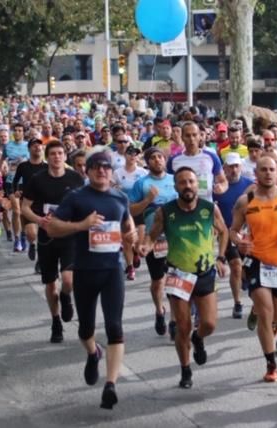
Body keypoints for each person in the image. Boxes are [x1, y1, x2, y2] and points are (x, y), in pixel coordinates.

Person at [45, 150, 137, 410]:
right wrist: (81, 225)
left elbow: (127, 225)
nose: (101, 171)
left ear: (111, 171)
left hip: (112, 271)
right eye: (96, 167)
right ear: (87, 171)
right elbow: (52, 227)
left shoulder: (120, 197)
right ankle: (93, 352)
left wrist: (131, 237)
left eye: (106, 167)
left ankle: (110, 385)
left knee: (115, 327)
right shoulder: (76, 198)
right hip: (84, 270)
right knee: (86, 329)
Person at [142, 167, 228, 389]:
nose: (187, 185)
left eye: (191, 181)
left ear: (196, 184)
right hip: (178, 274)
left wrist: (220, 257)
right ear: (176, 186)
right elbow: (152, 237)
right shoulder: (165, 211)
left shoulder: (209, 209)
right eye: (182, 182)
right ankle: (185, 369)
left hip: (205, 272)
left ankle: (198, 339)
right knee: (182, 326)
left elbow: (224, 231)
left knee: (209, 324)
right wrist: (145, 247)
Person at [230, 155, 277, 382]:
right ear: (256, 173)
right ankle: (271, 364)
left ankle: (261, 312)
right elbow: (233, 230)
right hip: (257, 261)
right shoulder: (245, 202)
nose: (267, 173)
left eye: (271, 169)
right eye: (263, 169)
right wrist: (238, 241)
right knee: (267, 313)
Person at [21, 141, 85, 343]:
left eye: (60, 153)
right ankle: (56, 321)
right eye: (53, 154)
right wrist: (39, 219)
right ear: (47, 157)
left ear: (65, 156)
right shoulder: (37, 179)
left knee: (68, 279)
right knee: (50, 284)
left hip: (69, 235)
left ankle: (66, 297)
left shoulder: (75, 178)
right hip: (47, 236)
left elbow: (84, 203)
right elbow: (24, 207)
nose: (57, 157)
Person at [129, 148, 178, 337]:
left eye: (160, 157)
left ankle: (174, 320)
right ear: (147, 162)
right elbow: (132, 211)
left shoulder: (174, 180)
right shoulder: (141, 184)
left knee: (174, 279)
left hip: (175, 238)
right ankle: (159, 311)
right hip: (153, 239)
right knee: (158, 281)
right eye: (153, 158)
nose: (157, 160)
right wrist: (148, 200)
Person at [213, 153, 254, 319]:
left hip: (247, 233)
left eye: (237, 166)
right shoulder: (219, 188)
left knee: (247, 267)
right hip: (228, 232)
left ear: (241, 167)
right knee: (236, 266)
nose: (234, 169)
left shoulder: (250, 185)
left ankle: (245, 278)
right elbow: (210, 209)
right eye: (231, 166)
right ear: (225, 168)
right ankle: (238, 302)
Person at [167, 122, 228, 202]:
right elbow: (168, 184)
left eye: (194, 135)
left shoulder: (211, 157)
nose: (191, 139)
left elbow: (223, 181)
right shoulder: (174, 160)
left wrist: (221, 187)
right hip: (182, 206)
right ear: (182, 137)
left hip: (205, 205)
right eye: (188, 136)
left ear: (199, 136)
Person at [113, 145, 147, 280]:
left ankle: (136, 251)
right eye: (130, 153)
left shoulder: (143, 172)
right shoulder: (118, 172)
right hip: (123, 209)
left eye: (136, 154)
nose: (133, 156)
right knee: (127, 239)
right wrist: (115, 187)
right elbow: (110, 186)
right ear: (125, 156)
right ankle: (130, 266)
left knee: (138, 240)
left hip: (139, 208)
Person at [13, 138, 48, 263]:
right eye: (34, 145)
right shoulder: (23, 166)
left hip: (45, 204)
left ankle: (40, 260)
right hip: (28, 204)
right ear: (29, 149)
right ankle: (32, 244)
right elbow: (15, 181)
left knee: (45, 236)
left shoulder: (47, 166)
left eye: (39, 145)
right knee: (31, 233)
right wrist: (16, 191)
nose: (37, 147)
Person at [2, 123, 30, 251]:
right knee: (16, 211)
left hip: (25, 182)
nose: (18, 132)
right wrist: (3, 166)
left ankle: (23, 235)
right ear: (13, 133)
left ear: (23, 132)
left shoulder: (28, 146)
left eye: (20, 130)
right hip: (11, 181)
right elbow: (2, 161)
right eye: (16, 130)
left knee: (24, 212)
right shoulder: (7, 146)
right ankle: (17, 239)